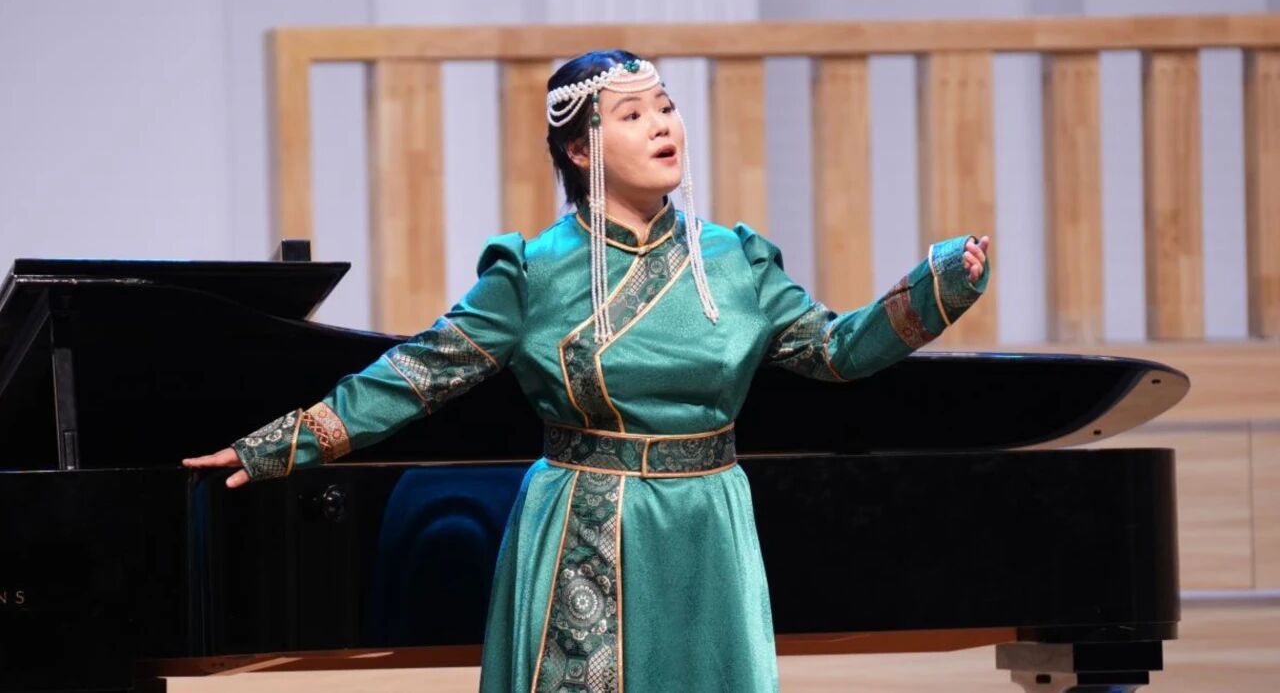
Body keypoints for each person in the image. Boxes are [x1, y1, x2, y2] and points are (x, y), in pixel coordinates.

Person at [183, 49, 990, 692]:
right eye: (632, 115)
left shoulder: (734, 259)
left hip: (709, 522)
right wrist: (280, 444)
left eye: (665, 107)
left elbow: (835, 351)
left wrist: (938, 287)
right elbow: (421, 372)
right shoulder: (534, 271)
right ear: (580, 149)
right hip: (587, 519)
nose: (662, 125)